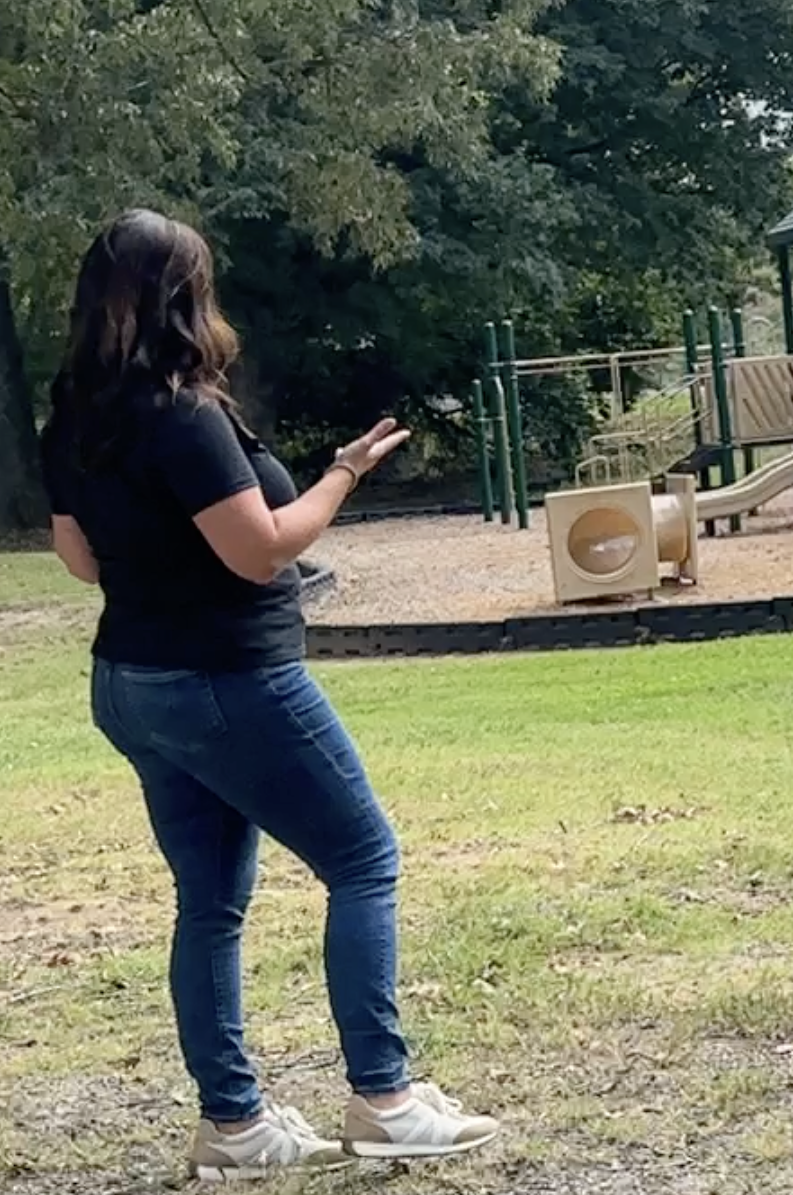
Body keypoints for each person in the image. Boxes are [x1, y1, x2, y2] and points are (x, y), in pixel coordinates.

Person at [37, 210, 501, 1183]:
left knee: (209, 902)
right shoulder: (185, 415)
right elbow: (260, 550)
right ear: (184, 298)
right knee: (364, 858)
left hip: (131, 683)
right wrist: (341, 474)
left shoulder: (75, 409)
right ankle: (386, 1100)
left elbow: (80, 559)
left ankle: (236, 1126)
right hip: (227, 678)